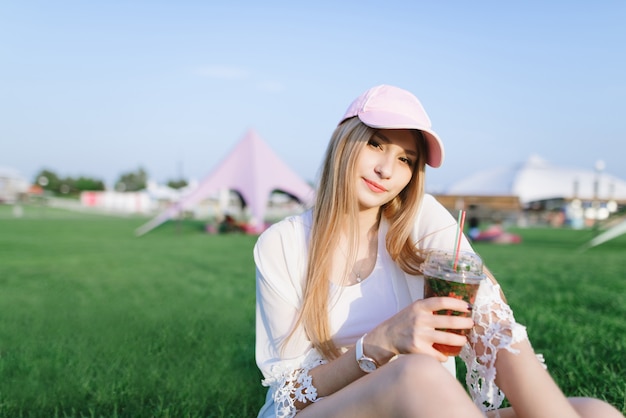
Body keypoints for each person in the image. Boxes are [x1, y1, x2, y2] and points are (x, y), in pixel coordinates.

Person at [253, 85, 623, 418]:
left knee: (596, 414)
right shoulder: (281, 244)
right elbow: (288, 395)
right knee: (414, 373)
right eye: (376, 144)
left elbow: (492, 320)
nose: (386, 169)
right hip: (327, 411)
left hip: (424, 408)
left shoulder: (422, 216)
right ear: (342, 140)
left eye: (405, 160)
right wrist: (377, 344)